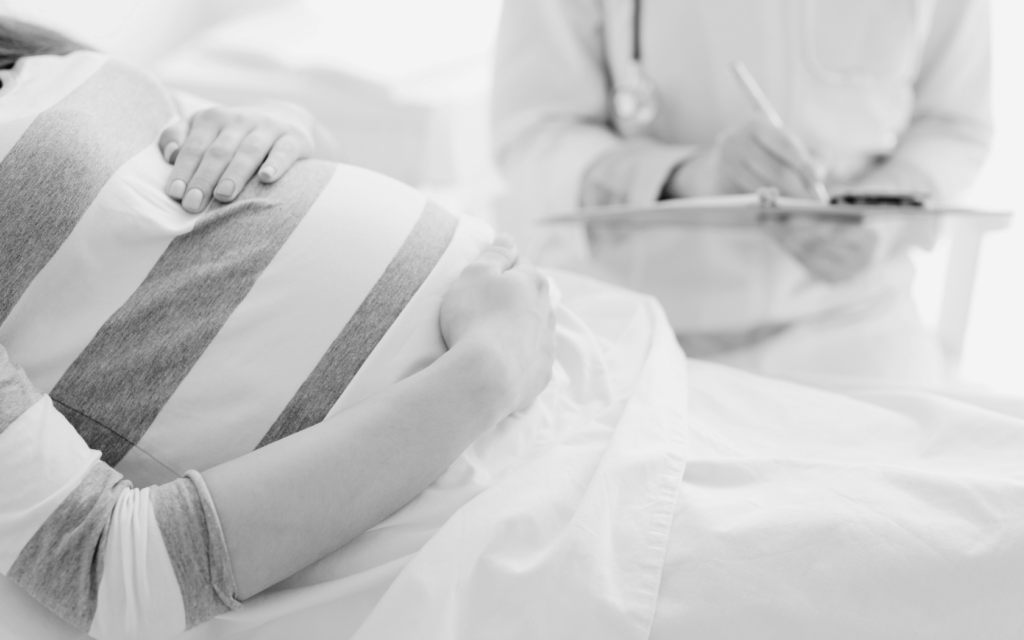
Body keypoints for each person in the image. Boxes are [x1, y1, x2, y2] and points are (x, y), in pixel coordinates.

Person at [5, 17, 1024, 640]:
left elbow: (171, 202)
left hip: (599, 374)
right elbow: (112, 571)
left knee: (987, 482)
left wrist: (282, 125)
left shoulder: (29, 49)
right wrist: (483, 372)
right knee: (977, 559)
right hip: (497, 500)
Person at [493, 0, 993, 383]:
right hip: (637, 332)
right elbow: (536, 132)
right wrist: (685, 176)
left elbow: (955, 124)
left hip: (856, 328)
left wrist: (877, 217)